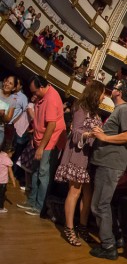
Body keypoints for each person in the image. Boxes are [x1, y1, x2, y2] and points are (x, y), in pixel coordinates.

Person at [88, 80, 127, 260]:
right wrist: (102, 133)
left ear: (120, 93)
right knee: (102, 204)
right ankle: (116, 239)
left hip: (110, 164)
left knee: (99, 205)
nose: (112, 89)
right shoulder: (120, 110)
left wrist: (104, 137)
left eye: (116, 87)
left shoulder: (124, 110)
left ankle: (108, 245)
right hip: (107, 163)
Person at [53, 81, 105, 246]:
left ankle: (82, 227)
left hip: (89, 158)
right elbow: (75, 132)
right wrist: (91, 134)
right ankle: (69, 229)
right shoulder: (81, 107)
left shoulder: (95, 113)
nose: (104, 97)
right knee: (74, 192)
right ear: (95, 93)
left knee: (88, 194)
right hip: (77, 155)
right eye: (103, 94)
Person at [17, 76, 66, 217]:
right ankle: (32, 201)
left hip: (50, 142)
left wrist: (41, 147)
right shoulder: (43, 96)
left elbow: (52, 125)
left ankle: (39, 206)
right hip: (40, 139)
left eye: (35, 92)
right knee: (35, 170)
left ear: (43, 87)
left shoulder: (51, 99)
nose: (34, 95)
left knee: (43, 174)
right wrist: (35, 139)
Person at [0, 143, 16, 213]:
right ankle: (0, 208)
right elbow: (10, 172)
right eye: (12, 154)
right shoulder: (7, 160)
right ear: (9, 151)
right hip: (3, 181)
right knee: (1, 195)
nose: (12, 155)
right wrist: (13, 181)